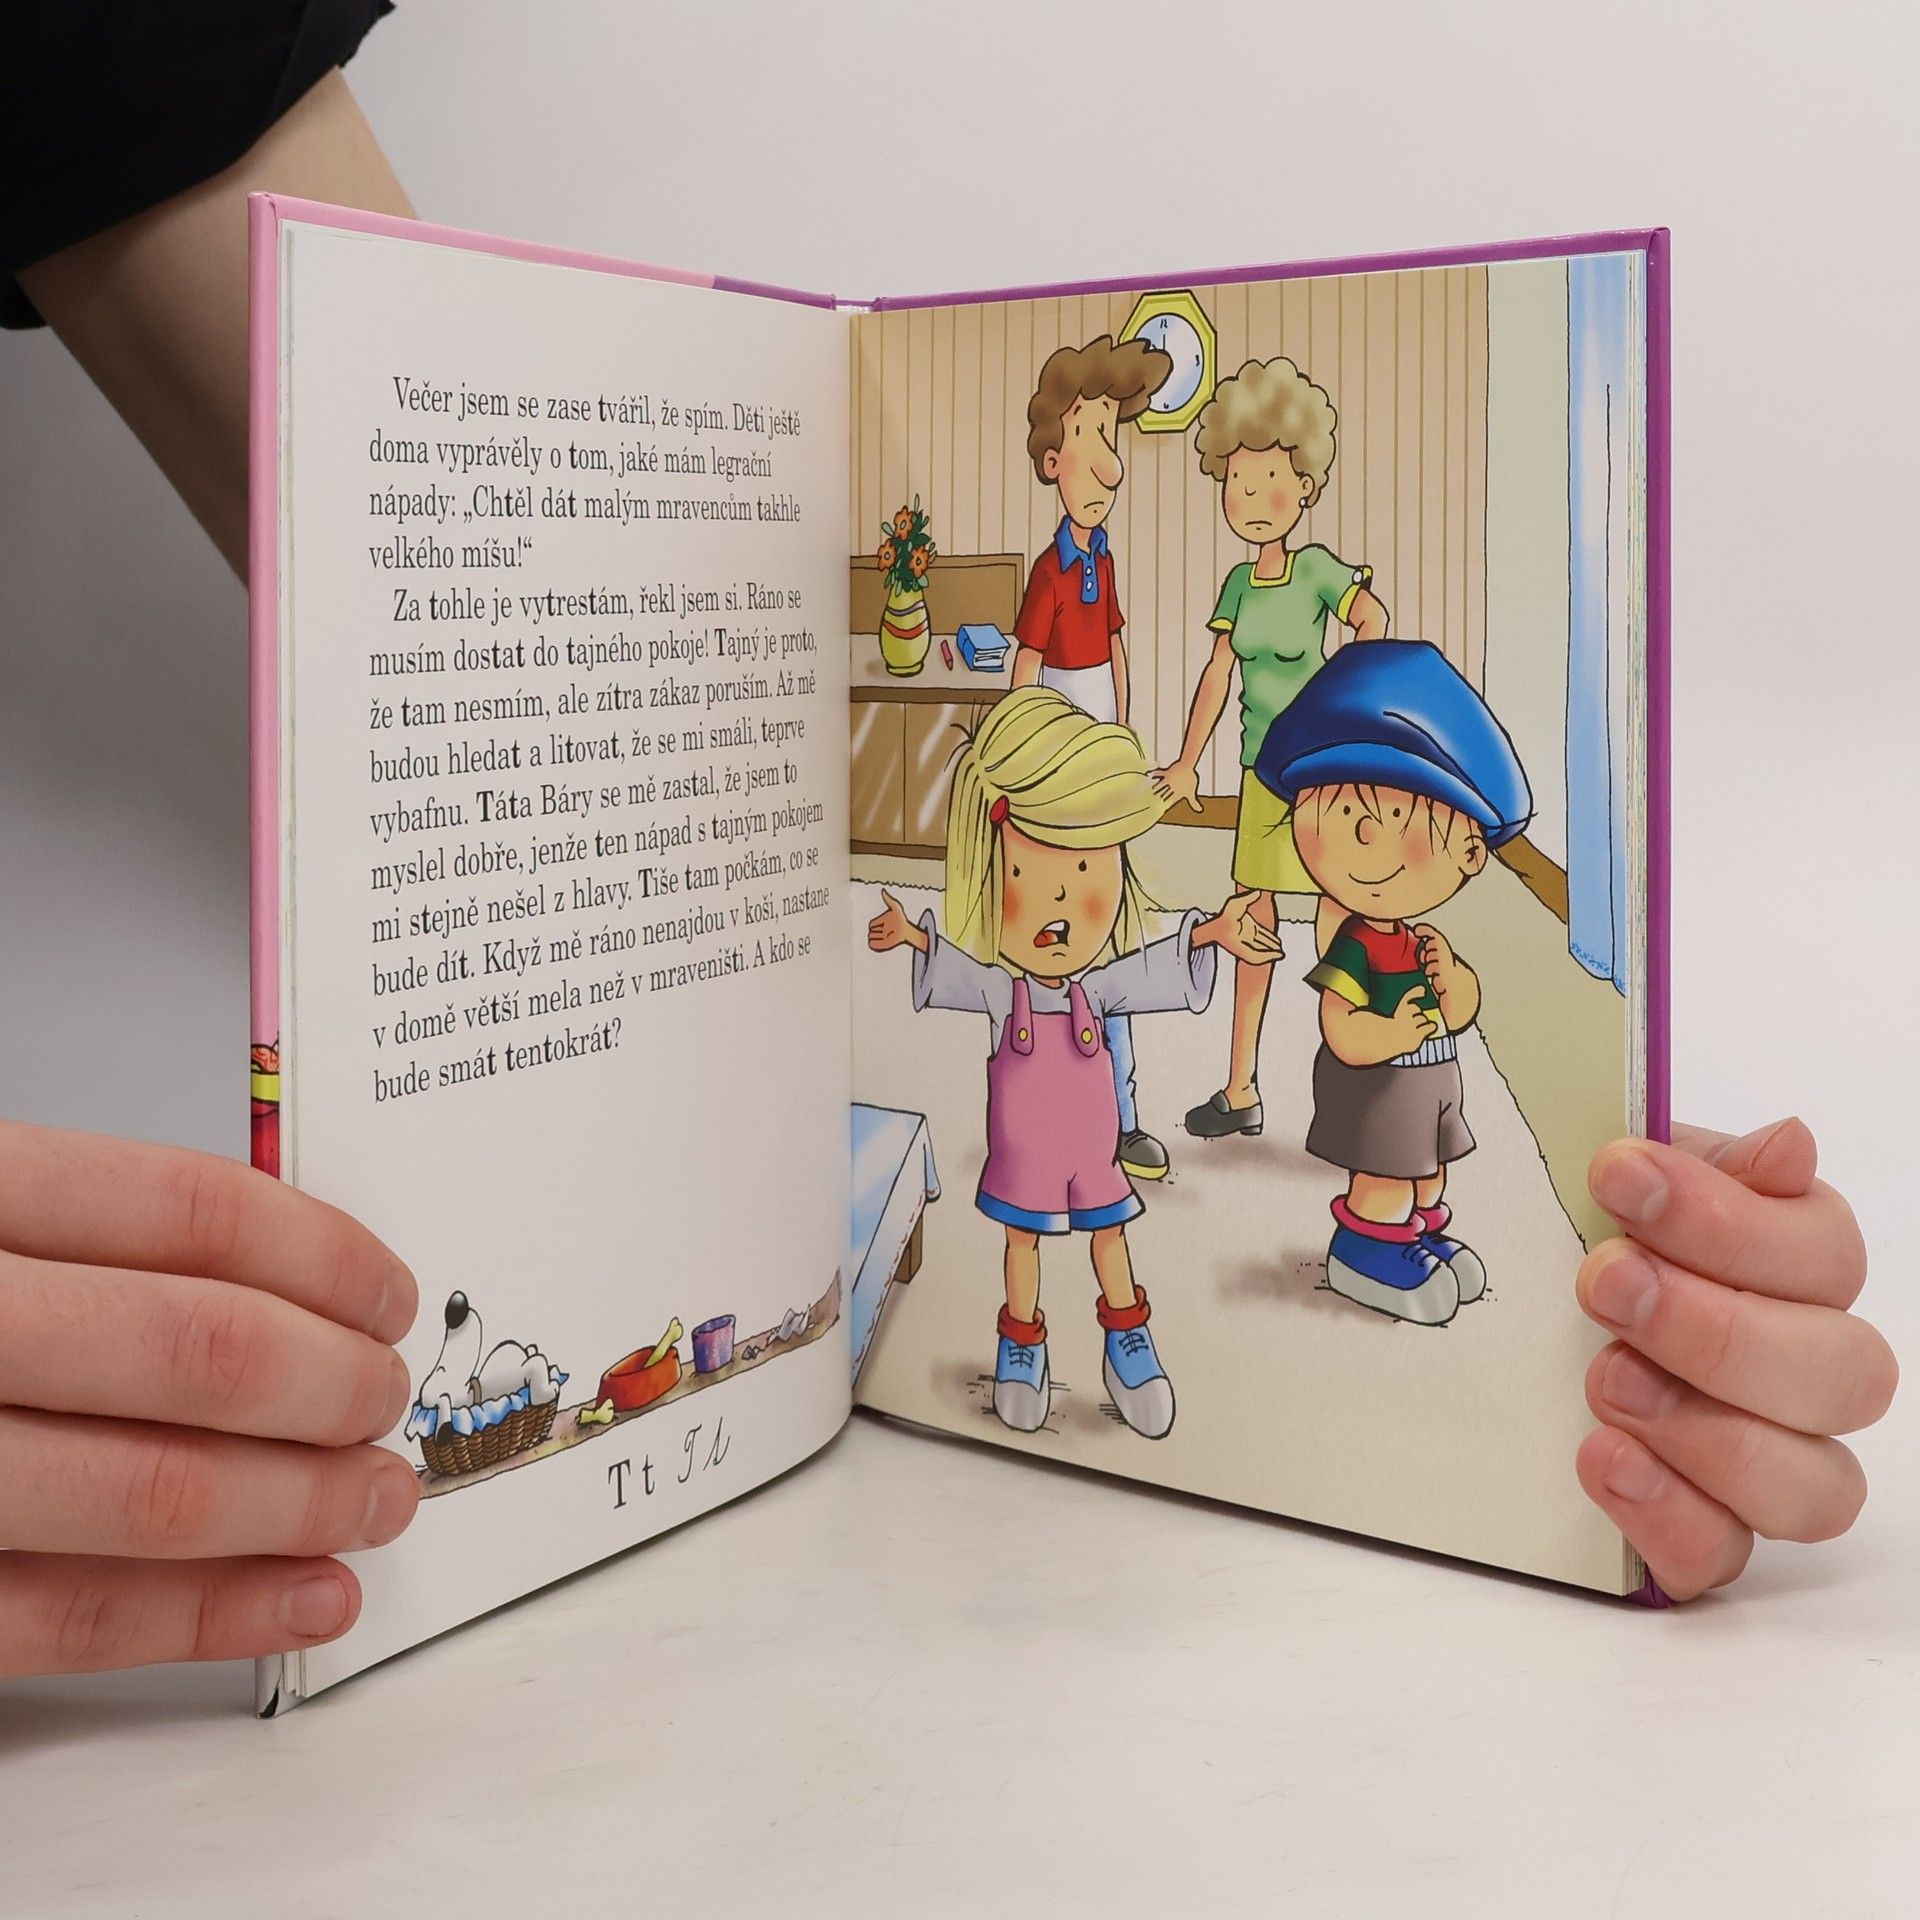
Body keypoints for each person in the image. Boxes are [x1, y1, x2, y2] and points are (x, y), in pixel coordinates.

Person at [0, 38, 1894, 1677]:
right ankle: (1059, 1334)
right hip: (1045, 984)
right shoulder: (1065, 722)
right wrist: (957, 914)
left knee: (1138, 1230)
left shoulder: (1221, 645)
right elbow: (1016, 896)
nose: (1120, 471)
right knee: (1035, 1251)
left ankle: (1147, 1329)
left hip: (1111, 875)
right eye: (1105, 449)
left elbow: (173, 132)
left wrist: (1533, 1143)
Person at [865, 688, 1283, 1439]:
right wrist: (914, 938)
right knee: (1021, 1241)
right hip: (1024, 1157)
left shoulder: (1102, 988)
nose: (1058, 903)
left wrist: (1211, 933)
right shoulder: (1004, 991)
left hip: (1093, 1156)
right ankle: (1022, 1344)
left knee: (1110, 1237)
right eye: (1026, 878)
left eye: (1089, 871)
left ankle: (1129, 1342)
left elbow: (1154, 969)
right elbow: (957, 971)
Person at [1152, 356, 1391, 1143]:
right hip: (1262, 776)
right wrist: (1186, 760)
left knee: (1338, 931)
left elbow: (1372, 618)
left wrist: (1346, 707)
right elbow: (1217, 673)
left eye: (1269, 484)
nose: (1252, 501)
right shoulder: (1237, 585)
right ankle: (1240, 1089)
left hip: (1320, 777)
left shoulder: (1316, 569)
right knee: (1252, 929)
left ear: (1305, 485)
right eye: (1238, 484)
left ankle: (1364, 1091)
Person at [1259, 640, 1530, 1325]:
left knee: (1428, 1169)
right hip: (1375, 1087)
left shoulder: (1419, 938)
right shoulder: (1353, 944)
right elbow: (1340, 1029)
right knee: (1386, 1173)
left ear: (1469, 853)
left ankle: (1418, 1233)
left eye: (1393, 824)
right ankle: (1366, 1248)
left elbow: (1461, 1009)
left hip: (1430, 1082)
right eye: (1341, 819)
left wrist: (1454, 982)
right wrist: (1389, 1033)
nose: (1363, 842)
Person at [1009, 334, 1174, 1184]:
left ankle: (1124, 1117)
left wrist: (1128, 741)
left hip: (1104, 759)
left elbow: (1115, 649)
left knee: (1112, 941)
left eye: (1115, 439)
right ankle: (1054, 1116)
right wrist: (1019, 761)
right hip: (1057, 761)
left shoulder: (1102, 560)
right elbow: (1027, 666)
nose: (1112, 464)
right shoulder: (1048, 572)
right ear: (1053, 462)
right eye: (1095, 438)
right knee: (1063, 943)